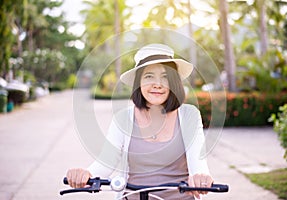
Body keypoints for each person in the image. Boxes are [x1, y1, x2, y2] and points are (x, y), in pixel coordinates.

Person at [66, 44, 214, 199]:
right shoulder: (123, 118)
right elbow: (106, 161)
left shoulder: (189, 115)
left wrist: (201, 177)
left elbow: (198, 161)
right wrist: (85, 174)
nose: (157, 84)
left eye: (165, 77)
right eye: (149, 76)